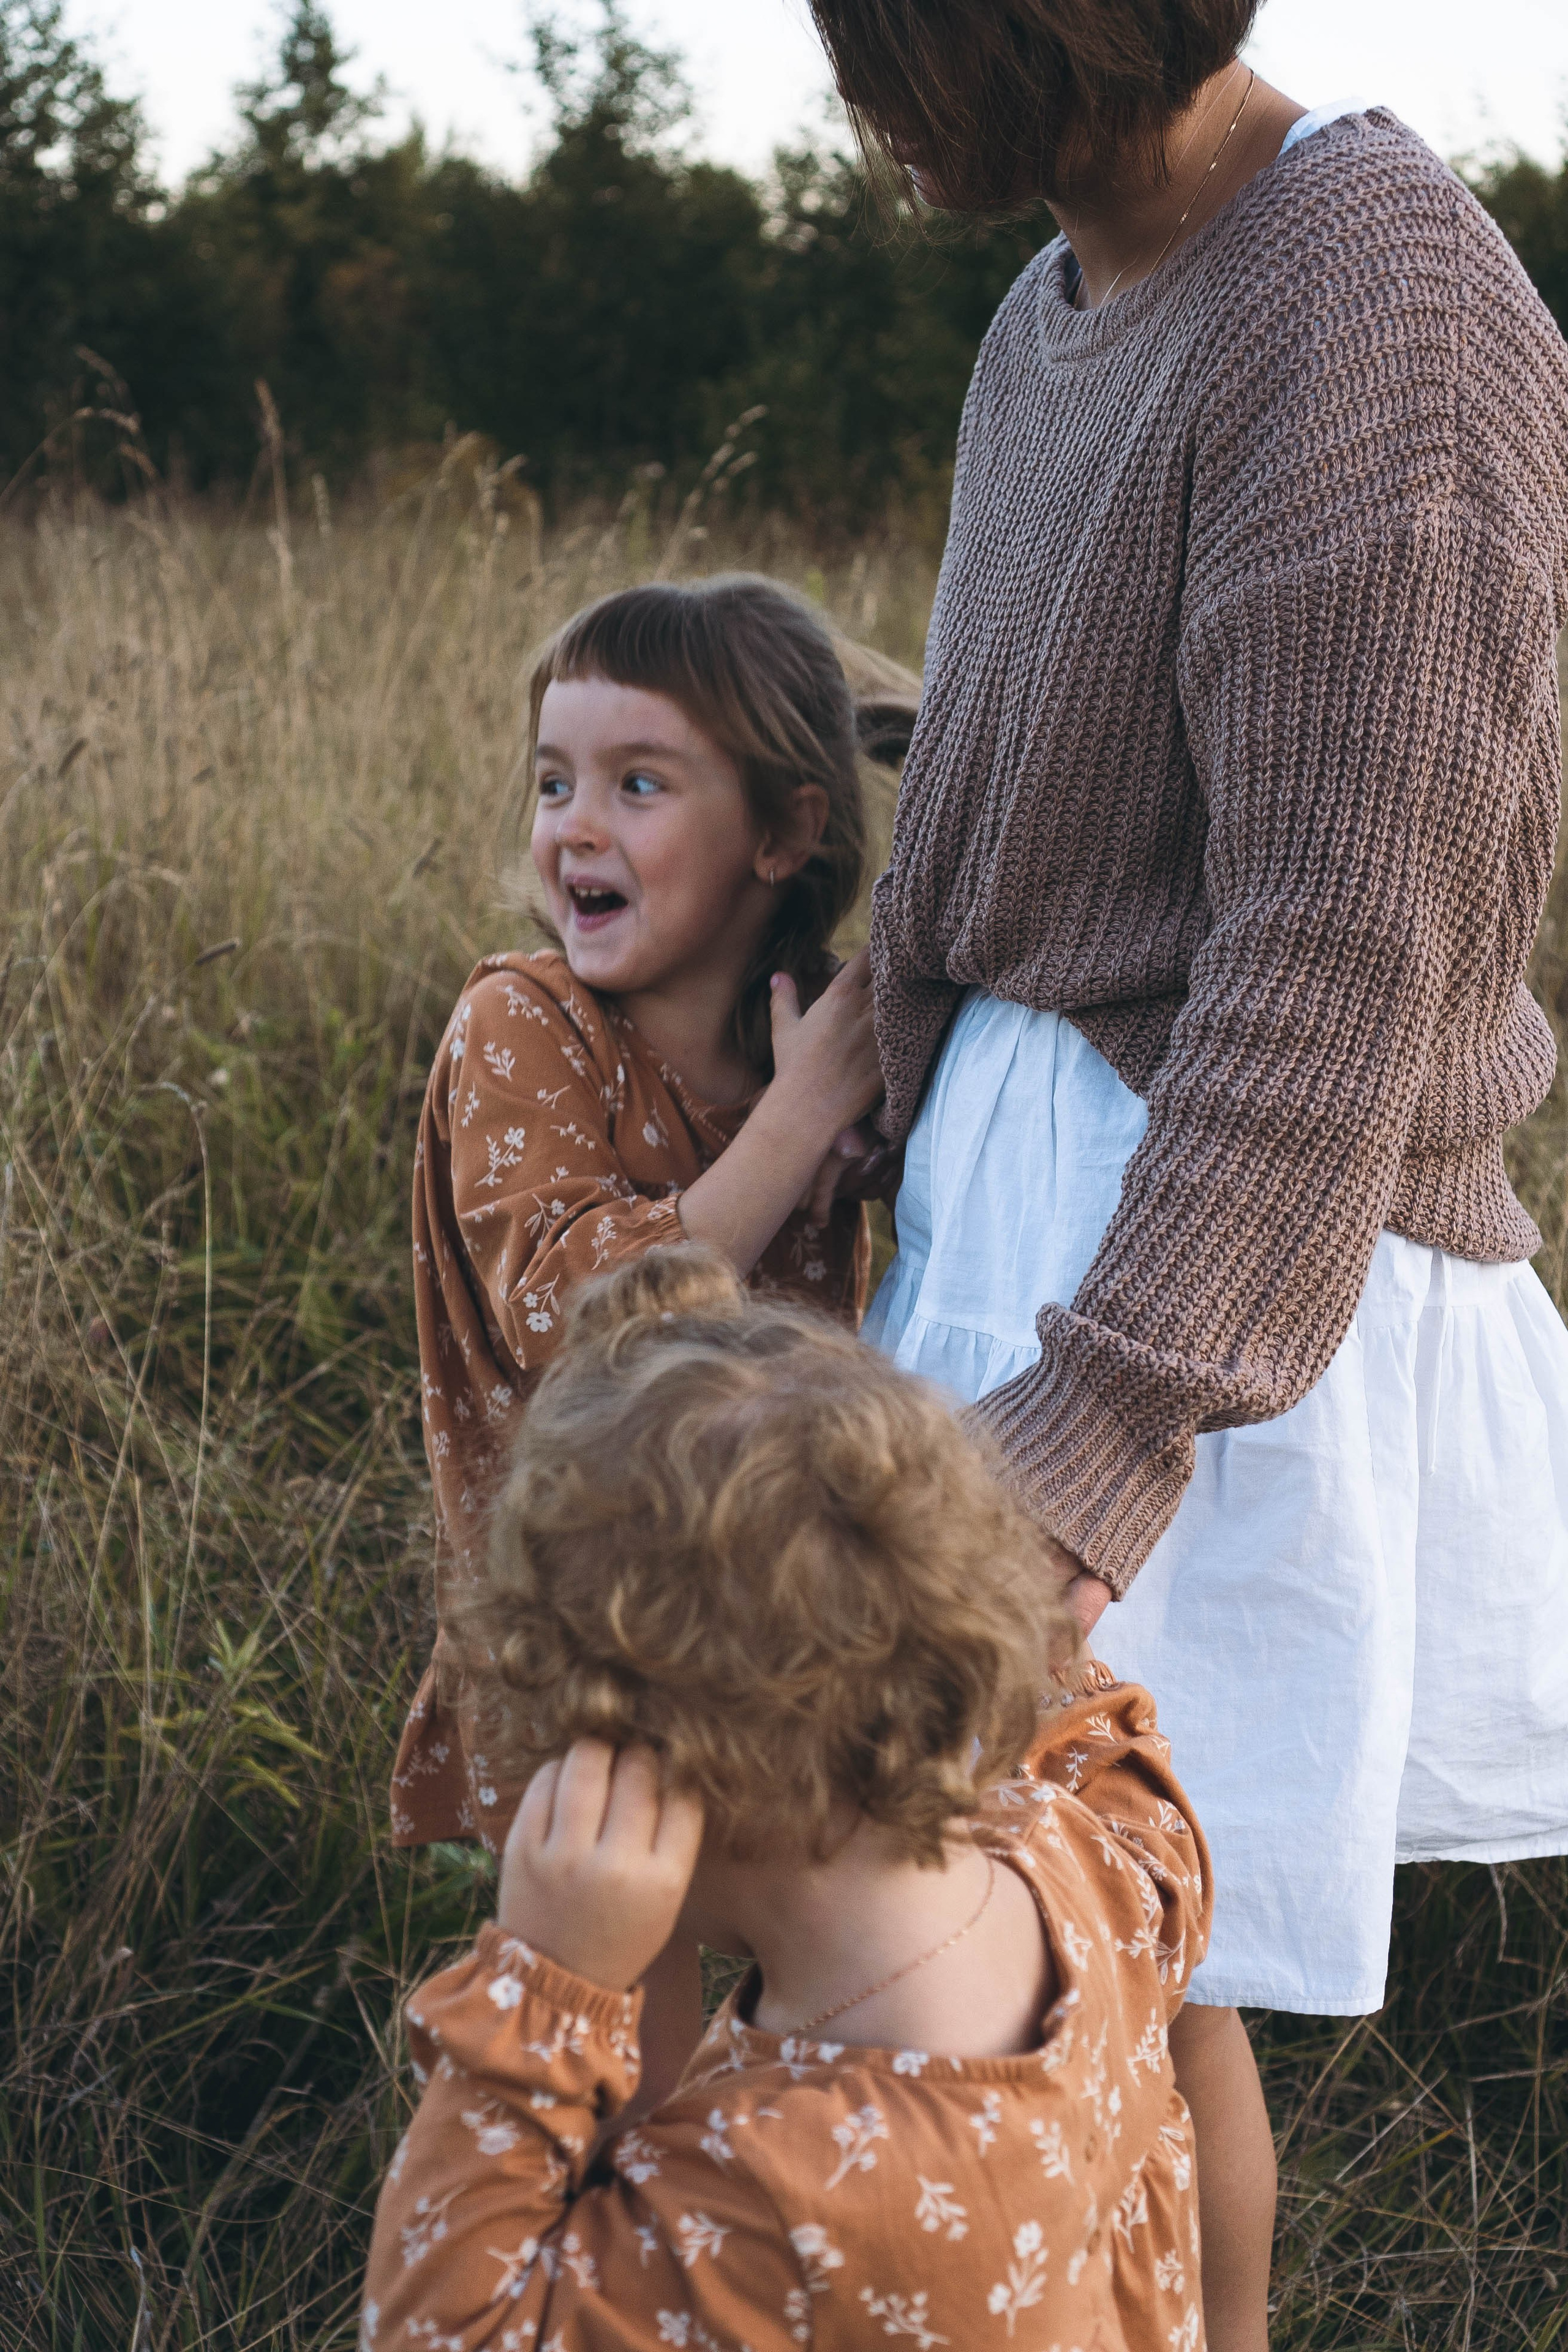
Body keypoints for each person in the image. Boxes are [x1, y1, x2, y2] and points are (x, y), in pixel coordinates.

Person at [797, 2, 1568, 2345]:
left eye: (905, 41)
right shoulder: (1047, 310)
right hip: (1009, 1219)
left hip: (1202, 1265)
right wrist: (874, 1112)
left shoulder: (1371, 281)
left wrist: (1098, 1438)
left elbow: (1349, 938)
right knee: (990, 1941)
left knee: (1112, 1954)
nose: (871, 102)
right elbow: (1005, 783)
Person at [362, 1249, 1213, 2352]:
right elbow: (1111, 1763)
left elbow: (447, 2333)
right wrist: (1015, 1660)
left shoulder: (783, 2197)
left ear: (646, 1763)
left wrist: (548, 1994)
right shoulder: (1093, 1859)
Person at [391, 577, 889, 2079]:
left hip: (781, 1595)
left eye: (638, 782)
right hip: (590, 1623)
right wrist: (805, 1119)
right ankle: (607, 2254)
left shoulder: (797, 1041)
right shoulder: (525, 1023)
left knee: (834, 1977)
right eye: (554, 781)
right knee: (624, 2024)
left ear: (783, 836)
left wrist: (857, 1135)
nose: (574, 825)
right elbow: (581, 1320)